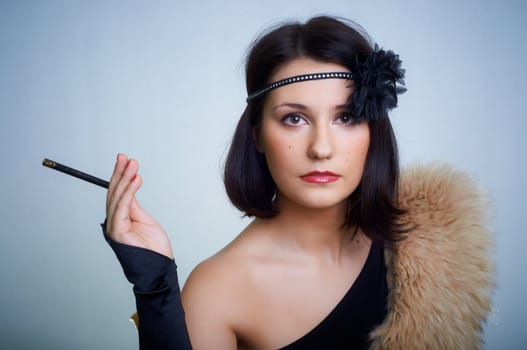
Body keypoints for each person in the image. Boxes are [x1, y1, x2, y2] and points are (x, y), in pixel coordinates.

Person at [103, 16, 494, 349]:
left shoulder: (431, 239)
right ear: (257, 133)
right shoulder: (218, 289)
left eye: (346, 117)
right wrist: (155, 290)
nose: (321, 148)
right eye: (294, 118)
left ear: (373, 130)